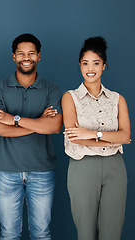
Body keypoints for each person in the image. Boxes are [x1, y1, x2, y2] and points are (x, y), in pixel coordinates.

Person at [0, 33, 62, 240]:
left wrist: (15, 119)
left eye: (31, 53)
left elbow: (54, 126)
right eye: (21, 53)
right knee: (9, 234)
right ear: (13, 56)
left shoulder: (51, 89)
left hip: (42, 172)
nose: (26, 57)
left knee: (41, 234)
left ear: (39, 56)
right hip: (5, 172)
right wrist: (38, 123)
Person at [62, 36, 131, 240]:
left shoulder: (118, 99)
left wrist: (92, 133)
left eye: (96, 63)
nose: (90, 68)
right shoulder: (70, 97)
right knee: (86, 232)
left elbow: (126, 136)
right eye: (85, 63)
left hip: (114, 167)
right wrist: (111, 138)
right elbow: (75, 137)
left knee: (112, 232)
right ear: (80, 66)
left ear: (104, 66)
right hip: (82, 166)